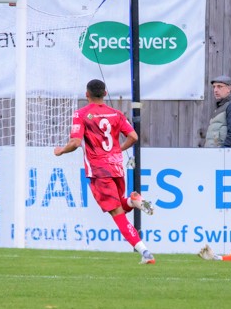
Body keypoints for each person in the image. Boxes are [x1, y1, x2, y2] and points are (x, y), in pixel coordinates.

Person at [54, 78, 156, 265]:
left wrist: (61, 150)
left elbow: (76, 142)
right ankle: (132, 201)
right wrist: (119, 149)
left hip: (99, 170)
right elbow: (133, 136)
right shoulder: (116, 114)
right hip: (117, 168)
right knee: (118, 207)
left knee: (116, 214)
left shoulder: (81, 114)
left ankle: (145, 252)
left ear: (87, 94)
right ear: (105, 93)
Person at [204, 75, 231, 148]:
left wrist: (223, 152)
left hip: (225, 156)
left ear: (229, 89)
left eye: (219, 86)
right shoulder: (223, 106)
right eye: (214, 87)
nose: (215, 90)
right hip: (216, 155)